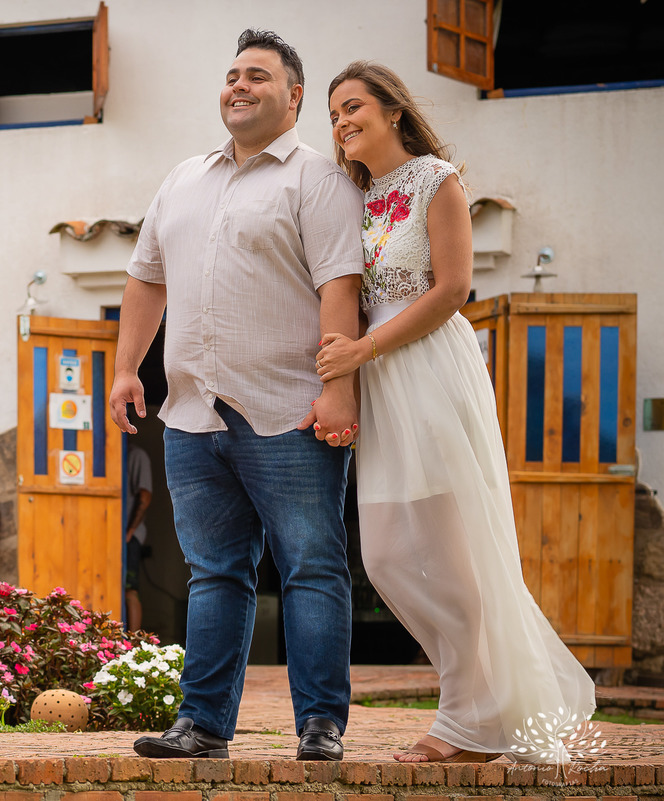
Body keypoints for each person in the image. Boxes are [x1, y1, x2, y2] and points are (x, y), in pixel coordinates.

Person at [318, 61, 596, 763]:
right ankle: (482, 702)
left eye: (353, 107)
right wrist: (348, 369)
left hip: (433, 374)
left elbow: (453, 290)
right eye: (333, 115)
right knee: (384, 557)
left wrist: (362, 349)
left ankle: (467, 722)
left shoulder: (435, 179)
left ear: (393, 112)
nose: (342, 122)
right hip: (383, 385)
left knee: (451, 555)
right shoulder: (359, 196)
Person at [110, 29, 365, 761]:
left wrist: (338, 391)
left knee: (312, 566)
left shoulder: (319, 180)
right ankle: (203, 724)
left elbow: (338, 289)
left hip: (289, 410)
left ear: (293, 98)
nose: (239, 85)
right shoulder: (182, 177)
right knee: (214, 570)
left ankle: (320, 724)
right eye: (231, 74)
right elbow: (146, 278)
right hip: (191, 415)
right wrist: (130, 368)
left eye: (258, 74)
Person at [123, 441, 153, 632]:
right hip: (111, 536)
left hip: (128, 537)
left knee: (130, 591)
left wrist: (130, 532)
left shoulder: (137, 455)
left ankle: (132, 643)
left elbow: (145, 494)